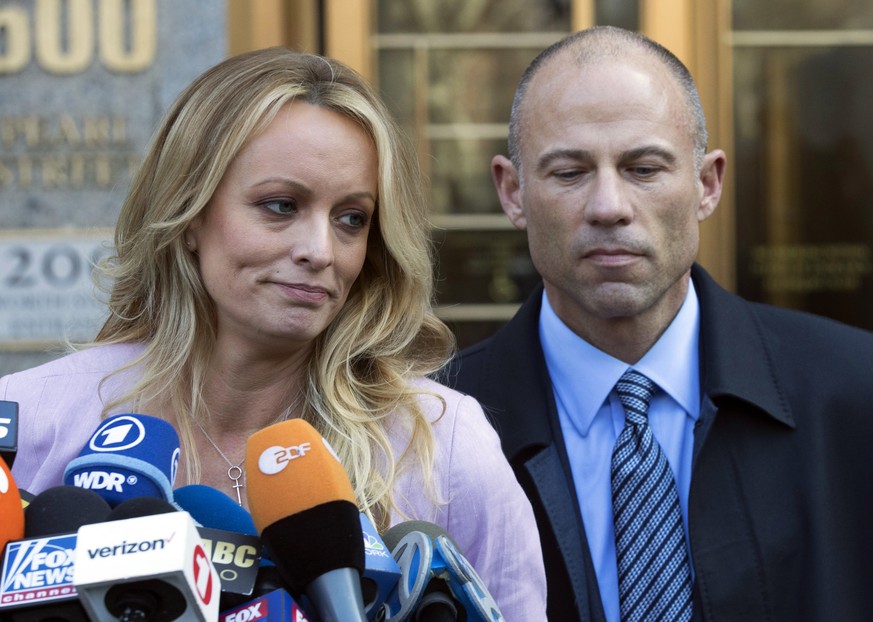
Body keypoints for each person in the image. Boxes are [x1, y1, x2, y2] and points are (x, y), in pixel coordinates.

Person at [0, 47, 547, 618]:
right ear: (190, 215)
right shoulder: (32, 418)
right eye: (281, 205)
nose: (319, 251)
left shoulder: (442, 443)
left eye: (351, 218)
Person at [445, 25, 873, 622]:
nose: (609, 206)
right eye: (569, 172)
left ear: (707, 183)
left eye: (644, 168)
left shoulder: (854, 394)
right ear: (512, 192)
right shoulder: (435, 430)